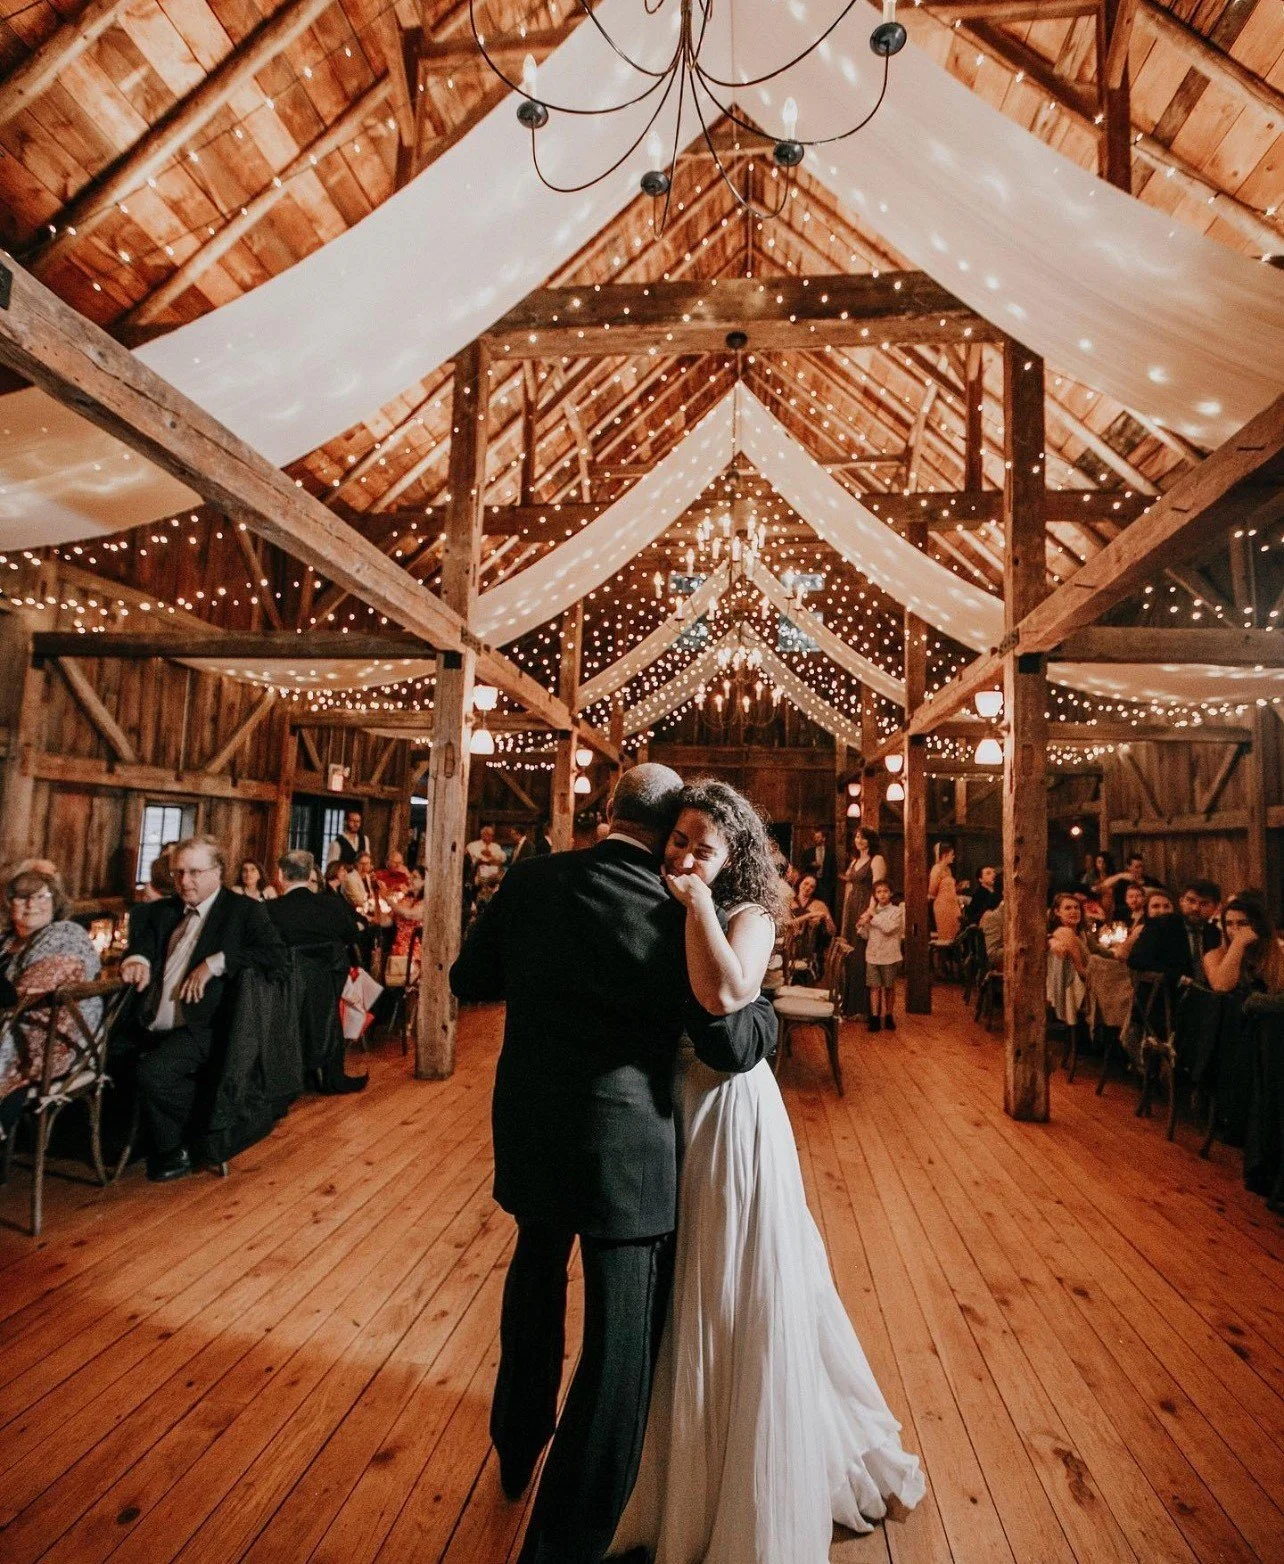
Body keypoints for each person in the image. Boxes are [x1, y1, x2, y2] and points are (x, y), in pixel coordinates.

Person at [449, 765, 778, 1564]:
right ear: (668, 829)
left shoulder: (531, 882)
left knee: (534, 1279)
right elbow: (727, 1038)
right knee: (617, 1345)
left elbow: (469, 979)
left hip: (530, 1125)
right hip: (626, 1150)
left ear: (605, 813)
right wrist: (763, 1016)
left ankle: (516, 1446)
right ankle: (568, 1539)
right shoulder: (674, 909)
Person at [613, 779, 924, 1560]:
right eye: (678, 839)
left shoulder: (747, 913)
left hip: (729, 1113)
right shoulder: (655, 893)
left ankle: (739, 1469)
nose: (684, 854)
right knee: (679, 1274)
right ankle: (668, 1456)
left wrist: (694, 906)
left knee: (728, 1274)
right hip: (672, 1101)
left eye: (703, 847)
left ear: (734, 855)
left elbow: (727, 991)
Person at [119, 835, 284, 1182]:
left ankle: (177, 1147)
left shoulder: (243, 912)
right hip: (148, 1021)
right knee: (107, 1061)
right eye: (178, 872)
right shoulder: (164, 911)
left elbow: (277, 958)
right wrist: (136, 959)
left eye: (195, 872)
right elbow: (143, 942)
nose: (184, 882)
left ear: (218, 872)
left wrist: (217, 962)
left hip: (203, 1026)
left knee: (153, 1075)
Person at [0, 866, 102, 1139]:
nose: (31, 904)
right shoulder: (7, 941)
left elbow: (21, 995)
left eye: (41, 896)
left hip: (49, 1041)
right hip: (13, 1028)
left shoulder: (64, 935)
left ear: (55, 902)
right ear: (9, 904)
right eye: (21, 898)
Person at [264, 850, 366, 1093]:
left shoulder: (270, 910)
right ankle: (332, 1074)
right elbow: (352, 936)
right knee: (328, 1012)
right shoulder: (331, 905)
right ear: (311, 874)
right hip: (327, 982)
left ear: (279, 876)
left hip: (285, 988)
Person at [1128, 879, 1222, 993]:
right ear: (1181, 901)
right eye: (1191, 901)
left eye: (1204, 904)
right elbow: (1135, 959)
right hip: (1169, 995)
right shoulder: (1161, 925)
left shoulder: (1214, 933)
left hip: (1209, 994)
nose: (1195, 908)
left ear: (1216, 908)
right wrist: (1178, 978)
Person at [840, 826, 886, 1017]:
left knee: (861, 956)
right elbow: (849, 889)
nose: (859, 840)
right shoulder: (855, 861)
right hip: (851, 908)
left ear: (871, 841)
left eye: (864, 838)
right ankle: (850, 1006)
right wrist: (844, 916)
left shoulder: (877, 860)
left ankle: (864, 1008)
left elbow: (878, 888)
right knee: (850, 957)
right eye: (857, 836)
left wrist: (869, 913)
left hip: (865, 907)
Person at [1204, 898, 1284, 995]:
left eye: (1242, 923)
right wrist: (1238, 943)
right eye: (1229, 924)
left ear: (1258, 925)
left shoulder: (1274, 954)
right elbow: (1222, 986)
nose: (1235, 929)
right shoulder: (1215, 956)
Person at [857, 880, 905, 1032]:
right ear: (875, 895)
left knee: (889, 987)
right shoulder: (871, 911)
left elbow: (889, 928)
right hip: (873, 955)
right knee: (874, 988)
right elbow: (865, 935)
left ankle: (889, 1015)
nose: (882, 894)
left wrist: (873, 916)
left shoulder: (896, 911)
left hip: (890, 955)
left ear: (890, 893)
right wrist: (862, 925)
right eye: (878, 892)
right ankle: (875, 1017)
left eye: (885, 891)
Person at [928, 841, 961, 944]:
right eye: (952, 854)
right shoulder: (936, 869)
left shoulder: (948, 869)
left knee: (955, 932)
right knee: (946, 935)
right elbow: (932, 890)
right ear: (944, 855)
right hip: (943, 906)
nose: (953, 856)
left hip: (953, 905)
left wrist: (958, 887)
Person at [798, 827, 835, 912]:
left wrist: (831, 886)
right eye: (815, 837)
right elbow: (803, 867)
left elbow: (833, 870)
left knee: (824, 905)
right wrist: (811, 865)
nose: (816, 839)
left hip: (825, 884)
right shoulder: (809, 852)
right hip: (812, 883)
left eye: (818, 837)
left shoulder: (830, 853)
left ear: (823, 838)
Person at [790, 873, 836, 939]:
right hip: (791, 942)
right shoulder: (790, 902)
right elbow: (786, 923)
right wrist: (810, 915)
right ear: (800, 883)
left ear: (814, 890)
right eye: (806, 883)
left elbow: (833, 932)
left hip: (812, 943)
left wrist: (827, 918)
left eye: (812, 887)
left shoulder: (820, 904)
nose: (808, 888)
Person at [466, 824, 507, 891]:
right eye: (487, 834)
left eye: (491, 835)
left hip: (494, 876)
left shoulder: (496, 846)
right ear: (482, 835)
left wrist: (491, 854)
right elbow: (475, 858)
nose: (490, 837)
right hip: (478, 875)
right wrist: (490, 861)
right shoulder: (473, 845)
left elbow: (503, 858)